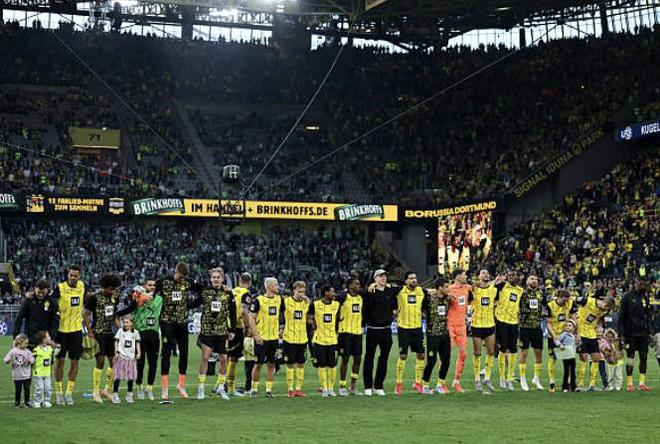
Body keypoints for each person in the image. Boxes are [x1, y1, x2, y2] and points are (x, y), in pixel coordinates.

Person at [187, 267, 236, 400]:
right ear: (210, 279)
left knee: (224, 359)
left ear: (222, 279)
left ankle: (221, 388)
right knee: (205, 357)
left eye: (218, 277)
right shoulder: (205, 291)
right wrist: (182, 305)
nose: (216, 279)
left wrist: (232, 330)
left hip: (221, 331)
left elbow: (233, 312)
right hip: (207, 330)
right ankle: (201, 388)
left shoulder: (228, 293)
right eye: (213, 277)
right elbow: (194, 303)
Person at [84, 274, 133, 404]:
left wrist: (121, 329)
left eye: (114, 289)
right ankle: (96, 392)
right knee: (100, 362)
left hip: (110, 333)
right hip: (98, 333)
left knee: (114, 362)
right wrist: (89, 330)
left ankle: (107, 390)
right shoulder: (94, 298)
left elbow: (115, 316)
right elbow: (86, 314)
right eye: (111, 289)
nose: (113, 291)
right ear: (104, 287)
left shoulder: (114, 298)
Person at [156, 262, 202, 400]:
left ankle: (181, 385)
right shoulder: (164, 282)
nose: (182, 279)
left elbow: (204, 293)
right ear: (175, 272)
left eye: (184, 277)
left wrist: (189, 305)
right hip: (167, 322)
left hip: (182, 322)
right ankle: (165, 388)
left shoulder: (188, 282)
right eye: (180, 277)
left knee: (184, 353)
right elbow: (151, 293)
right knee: (166, 353)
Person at [52, 265, 88, 405]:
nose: (73, 278)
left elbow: (88, 300)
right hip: (61, 332)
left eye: (75, 276)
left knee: (74, 362)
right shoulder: (60, 288)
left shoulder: (83, 286)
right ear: (68, 275)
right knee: (60, 362)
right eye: (71, 275)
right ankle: (59, 393)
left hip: (76, 331)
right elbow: (50, 301)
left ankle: (69, 393)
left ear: (79, 276)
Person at [363, 269, 396, 396]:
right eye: (380, 276)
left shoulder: (390, 291)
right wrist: (369, 288)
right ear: (375, 278)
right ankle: (367, 386)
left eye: (385, 276)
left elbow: (395, 306)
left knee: (384, 358)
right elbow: (365, 308)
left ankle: (379, 386)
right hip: (373, 329)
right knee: (369, 357)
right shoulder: (370, 292)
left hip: (386, 330)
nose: (383, 278)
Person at [248, 277, 283, 398]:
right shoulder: (258, 300)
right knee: (258, 364)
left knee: (271, 364)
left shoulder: (279, 300)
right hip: (261, 338)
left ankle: (269, 390)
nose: (278, 287)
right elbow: (251, 318)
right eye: (276, 285)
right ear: (269, 286)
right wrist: (256, 335)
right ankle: (254, 389)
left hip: (274, 338)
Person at [469, 269, 503, 394]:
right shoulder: (473, 289)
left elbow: (498, 301)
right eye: (483, 273)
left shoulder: (494, 289)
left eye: (487, 273)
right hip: (476, 325)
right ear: (478, 276)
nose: (486, 274)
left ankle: (487, 377)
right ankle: (477, 378)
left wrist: (495, 282)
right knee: (477, 352)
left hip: (490, 324)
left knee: (491, 351)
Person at [394, 271, 428, 395]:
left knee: (421, 355)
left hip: (417, 328)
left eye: (415, 278)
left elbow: (433, 292)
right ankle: (398, 383)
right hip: (403, 328)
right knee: (403, 356)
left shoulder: (421, 291)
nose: (414, 280)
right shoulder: (400, 291)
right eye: (411, 278)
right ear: (406, 281)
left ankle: (417, 383)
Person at [619, 280, 653, 392]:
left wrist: (650, 332)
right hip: (630, 334)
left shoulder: (645, 297)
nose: (643, 286)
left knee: (644, 356)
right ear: (635, 284)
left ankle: (642, 383)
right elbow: (621, 317)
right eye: (640, 284)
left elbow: (648, 317)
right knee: (630, 358)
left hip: (643, 333)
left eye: (644, 285)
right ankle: (629, 383)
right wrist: (621, 334)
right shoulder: (626, 297)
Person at [576, 294, 614, 391]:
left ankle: (592, 385)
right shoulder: (588, 301)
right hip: (581, 333)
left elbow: (599, 320)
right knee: (583, 358)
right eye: (606, 307)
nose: (606, 310)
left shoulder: (603, 311)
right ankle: (580, 384)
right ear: (604, 303)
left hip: (592, 334)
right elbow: (572, 300)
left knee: (597, 358)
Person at [421, 279, 451, 394]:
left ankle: (440, 384)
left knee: (446, 361)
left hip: (445, 335)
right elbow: (420, 291)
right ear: (439, 288)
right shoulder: (429, 299)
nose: (448, 289)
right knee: (431, 361)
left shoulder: (448, 299)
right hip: (432, 335)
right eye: (446, 286)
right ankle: (425, 384)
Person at [494, 270, 523, 391]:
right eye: (509, 275)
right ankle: (502, 378)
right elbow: (491, 293)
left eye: (513, 275)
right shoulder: (501, 286)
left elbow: (520, 306)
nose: (511, 277)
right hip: (501, 321)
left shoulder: (520, 291)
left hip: (514, 322)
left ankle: (509, 378)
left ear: (518, 277)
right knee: (502, 349)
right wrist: (495, 283)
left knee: (513, 350)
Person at [133, 279, 162, 401]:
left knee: (153, 363)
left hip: (154, 334)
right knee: (140, 362)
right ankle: (139, 385)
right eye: (150, 285)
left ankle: (149, 387)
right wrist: (138, 296)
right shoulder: (137, 297)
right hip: (140, 333)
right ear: (145, 286)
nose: (152, 287)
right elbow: (130, 305)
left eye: (154, 285)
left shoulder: (160, 299)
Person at [309, 285, 340, 397]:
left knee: (332, 365)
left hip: (332, 340)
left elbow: (339, 318)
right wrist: (313, 323)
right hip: (319, 340)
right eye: (332, 292)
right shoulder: (315, 305)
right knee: (321, 365)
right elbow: (308, 316)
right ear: (326, 293)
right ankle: (325, 389)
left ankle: (331, 388)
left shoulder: (336, 305)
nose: (334, 294)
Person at [282, 281, 311, 398]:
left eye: (303, 292)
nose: (301, 294)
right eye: (299, 291)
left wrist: (309, 302)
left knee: (301, 363)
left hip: (302, 338)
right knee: (290, 364)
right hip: (289, 338)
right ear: (294, 290)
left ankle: (298, 388)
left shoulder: (306, 303)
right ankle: (290, 389)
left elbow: (310, 317)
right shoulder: (286, 301)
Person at [517, 274, 546, 391]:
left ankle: (536, 378)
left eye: (536, 279)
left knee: (539, 354)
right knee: (524, 353)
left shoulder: (541, 294)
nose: (534, 281)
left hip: (537, 327)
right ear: (527, 281)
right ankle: (522, 378)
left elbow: (545, 307)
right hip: (525, 327)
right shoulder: (522, 293)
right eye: (532, 279)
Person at [545, 289, 577, 392]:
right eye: (564, 300)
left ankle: (568, 383)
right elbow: (548, 322)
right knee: (552, 358)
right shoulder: (550, 306)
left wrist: (576, 332)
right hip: (553, 335)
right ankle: (552, 382)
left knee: (568, 361)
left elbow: (573, 318)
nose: (565, 303)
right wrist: (554, 336)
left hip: (566, 337)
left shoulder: (570, 303)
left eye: (567, 300)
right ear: (558, 297)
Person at [226, 272, 252, 396]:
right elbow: (243, 311)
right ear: (250, 282)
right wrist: (247, 326)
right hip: (237, 327)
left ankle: (224, 385)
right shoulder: (246, 294)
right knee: (233, 358)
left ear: (239, 280)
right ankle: (230, 388)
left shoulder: (232, 291)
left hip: (228, 326)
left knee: (227, 357)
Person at [13, 280, 59, 348]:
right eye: (39, 292)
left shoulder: (52, 302)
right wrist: (15, 337)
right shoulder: (28, 301)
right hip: (31, 337)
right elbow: (19, 318)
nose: (41, 295)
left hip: (46, 339)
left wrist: (52, 338)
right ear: (35, 289)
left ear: (47, 290)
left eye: (43, 293)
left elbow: (55, 322)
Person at [337, 278, 363, 396]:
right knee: (345, 359)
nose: (358, 285)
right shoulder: (343, 297)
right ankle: (342, 386)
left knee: (357, 359)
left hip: (357, 332)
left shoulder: (360, 298)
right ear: (349, 285)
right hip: (345, 332)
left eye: (359, 284)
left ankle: (353, 386)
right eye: (356, 284)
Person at [447, 269, 471, 393]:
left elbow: (482, 287)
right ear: (457, 277)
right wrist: (447, 298)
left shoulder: (467, 288)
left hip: (461, 326)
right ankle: (441, 381)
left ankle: (456, 381)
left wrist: (494, 281)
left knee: (463, 353)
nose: (466, 276)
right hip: (450, 324)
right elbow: (437, 293)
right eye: (464, 274)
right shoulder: (449, 289)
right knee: (446, 353)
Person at [111, 315, 141, 404]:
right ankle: (115, 394)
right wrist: (116, 352)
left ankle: (129, 394)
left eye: (127, 322)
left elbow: (137, 343)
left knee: (131, 376)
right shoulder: (120, 331)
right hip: (121, 356)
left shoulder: (135, 333)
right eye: (124, 322)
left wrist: (139, 352)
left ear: (132, 323)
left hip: (131, 358)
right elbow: (116, 341)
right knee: (118, 376)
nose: (125, 324)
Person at [4, 333, 34, 408]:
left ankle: (27, 403)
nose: (27, 345)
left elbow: (32, 359)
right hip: (17, 375)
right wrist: (8, 360)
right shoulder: (13, 351)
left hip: (26, 375)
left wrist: (30, 360)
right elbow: (6, 359)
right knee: (18, 390)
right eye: (25, 343)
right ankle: (17, 403)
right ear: (19, 343)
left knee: (27, 389)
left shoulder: (28, 351)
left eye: (27, 343)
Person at [32, 331, 54, 408]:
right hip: (38, 373)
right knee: (40, 388)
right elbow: (32, 361)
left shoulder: (50, 349)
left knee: (48, 388)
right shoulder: (36, 350)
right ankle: (37, 401)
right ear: (43, 339)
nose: (50, 338)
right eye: (48, 336)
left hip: (47, 373)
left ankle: (46, 401)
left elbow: (52, 360)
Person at [556, 319, 578, 392]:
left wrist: (578, 341)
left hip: (572, 355)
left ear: (573, 327)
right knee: (566, 371)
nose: (568, 327)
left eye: (570, 326)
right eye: (566, 326)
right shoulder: (564, 334)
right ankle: (565, 386)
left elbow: (577, 345)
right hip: (566, 354)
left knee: (573, 371)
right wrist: (560, 345)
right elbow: (557, 340)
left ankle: (573, 386)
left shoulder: (574, 336)